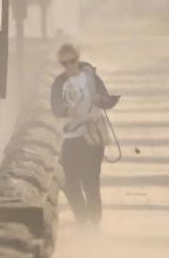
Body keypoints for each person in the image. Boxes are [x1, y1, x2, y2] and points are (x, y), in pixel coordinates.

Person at [50, 42, 119, 226]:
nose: (69, 66)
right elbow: (55, 107)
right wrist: (66, 110)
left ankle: (94, 227)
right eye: (64, 63)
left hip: (91, 136)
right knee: (70, 184)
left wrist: (100, 99)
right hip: (71, 137)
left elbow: (108, 101)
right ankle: (82, 221)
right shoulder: (59, 82)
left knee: (90, 183)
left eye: (72, 61)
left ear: (78, 58)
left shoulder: (91, 78)